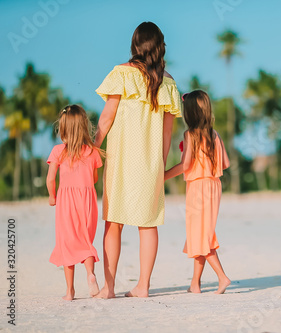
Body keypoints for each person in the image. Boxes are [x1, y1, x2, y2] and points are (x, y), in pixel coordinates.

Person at [94, 22, 181, 298]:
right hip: (150, 162)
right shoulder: (167, 82)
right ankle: (143, 286)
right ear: (159, 46)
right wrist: (161, 162)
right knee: (148, 223)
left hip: (120, 159)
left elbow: (107, 117)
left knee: (113, 222)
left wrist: (94, 147)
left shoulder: (122, 73)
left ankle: (108, 287)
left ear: (135, 45)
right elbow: (168, 131)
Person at [164, 90, 231, 294]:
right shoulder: (214, 134)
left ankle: (222, 277)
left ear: (189, 113)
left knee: (201, 235)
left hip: (198, 188)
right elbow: (225, 163)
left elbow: (185, 166)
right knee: (201, 233)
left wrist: (163, 176)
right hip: (214, 187)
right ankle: (195, 283)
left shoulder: (190, 134)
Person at [46, 105, 104, 301]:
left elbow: (50, 178)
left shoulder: (58, 151)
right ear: (84, 127)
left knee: (67, 243)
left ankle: (70, 291)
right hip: (87, 202)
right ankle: (90, 274)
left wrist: (52, 196)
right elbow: (94, 178)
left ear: (63, 129)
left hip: (66, 203)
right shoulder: (92, 151)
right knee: (85, 241)